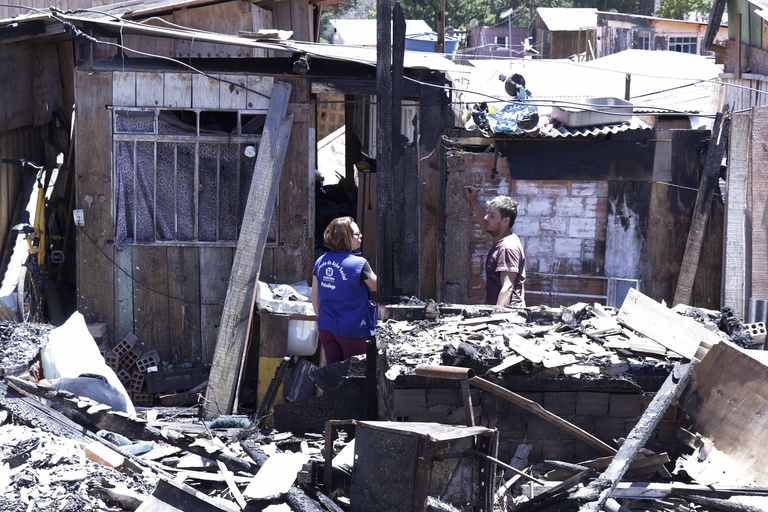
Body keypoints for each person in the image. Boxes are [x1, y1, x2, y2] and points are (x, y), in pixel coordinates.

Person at [311, 216, 377, 364]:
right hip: (352, 330)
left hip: (326, 328)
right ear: (345, 237)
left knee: (334, 373)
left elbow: (314, 298)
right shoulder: (359, 264)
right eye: (356, 233)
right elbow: (375, 286)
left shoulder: (320, 261)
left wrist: (323, 320)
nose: (361, 236)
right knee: (355, 376)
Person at [464, 185, 526, 307]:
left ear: (505, 221)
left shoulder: (507, 247)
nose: (486, 218)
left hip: (509, 317)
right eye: (488, 213)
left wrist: (495, 319)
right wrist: (473, 201)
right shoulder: (502, 239)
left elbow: (507, 287)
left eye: (492, 215)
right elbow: (486, 226)